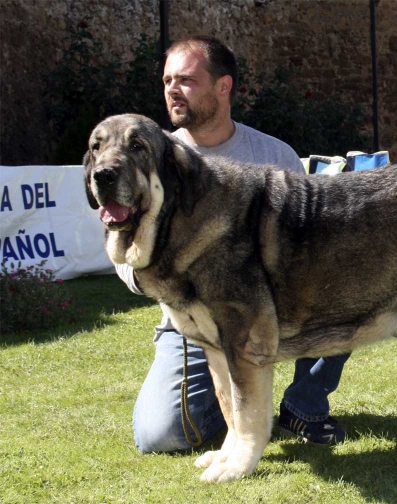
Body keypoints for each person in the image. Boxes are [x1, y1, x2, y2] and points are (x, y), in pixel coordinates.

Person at [114, 35, 350, 453]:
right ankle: (241, 413)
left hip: (280, 308)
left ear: (223, 87)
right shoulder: (149, 156)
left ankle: (303, 406)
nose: (171, 89)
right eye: (167, 79)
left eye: (185, 80)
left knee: (344, 287)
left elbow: (312, 245)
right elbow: (124, 241)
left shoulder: (274, 154)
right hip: (190, 324)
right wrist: (150, 276)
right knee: (160, 435)